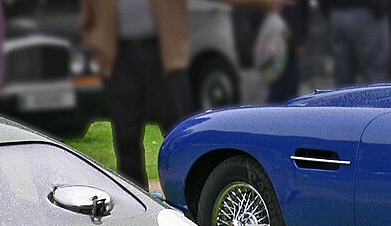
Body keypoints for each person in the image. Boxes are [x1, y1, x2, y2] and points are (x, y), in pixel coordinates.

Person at [80, 0, 282, 189]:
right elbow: (89, 16)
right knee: (126, 138)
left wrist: (266, 3)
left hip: (164, 56)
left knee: (180, 131)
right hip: (119, 60)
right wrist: (97, 44)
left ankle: (188, 197)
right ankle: (136, 205)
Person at [319, 0, 390, 87]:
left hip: (337, 12)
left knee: (343, 74)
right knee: (373, 73)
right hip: (367, 13)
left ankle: (344, 99)